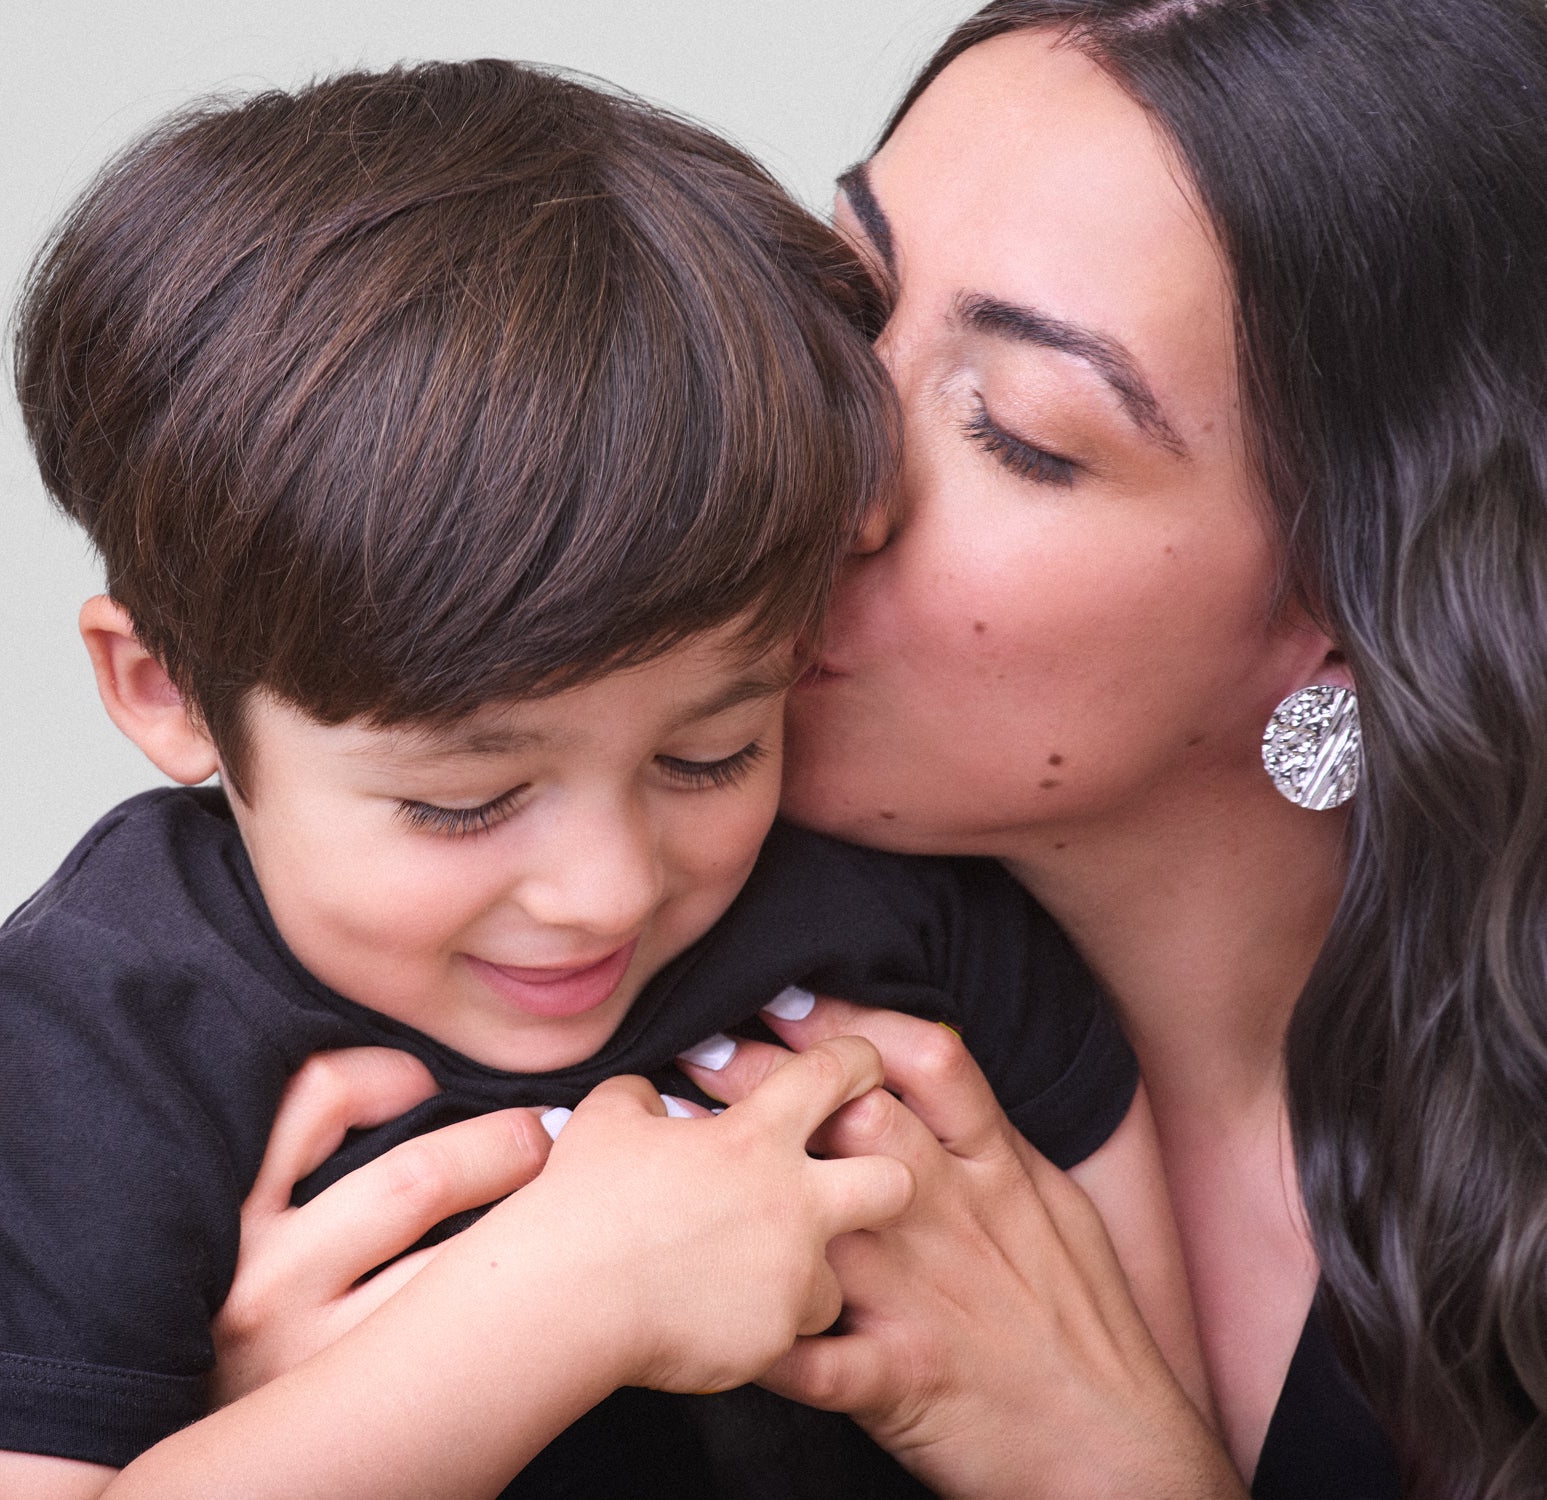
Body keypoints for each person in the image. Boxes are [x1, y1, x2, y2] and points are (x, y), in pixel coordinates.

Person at [222, 2, 1547, 1496]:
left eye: (1021, 431)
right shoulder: (536, 944)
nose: (826, 467)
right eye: (843, 302)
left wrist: (1107, 1468)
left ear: (1351, 603)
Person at [0, 59, 1200, 1500]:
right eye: (463, 800)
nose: (608, 889)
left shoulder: (905, 910)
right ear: (167, 693)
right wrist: (564, 1304)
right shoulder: (106, 1025)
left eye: (711, 753)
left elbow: (1147, 1417)